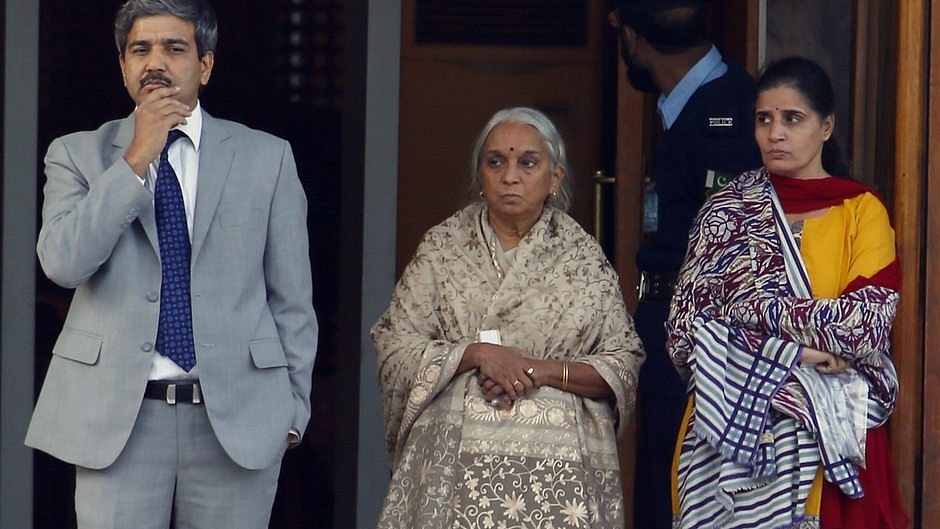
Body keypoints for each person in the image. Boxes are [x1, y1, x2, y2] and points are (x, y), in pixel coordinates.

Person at [25, 1, 319, 528]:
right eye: (140, 50)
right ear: (122, 66)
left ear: (204, 66)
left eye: (174, 48)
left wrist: (291, 413)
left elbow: (292, 300)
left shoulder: (266, 157)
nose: (154, 62)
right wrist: (135, 158)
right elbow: (62, 263)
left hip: (237, 419)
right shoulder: (75, 154)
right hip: (118, 421)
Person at [371, 107, 646, 529]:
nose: (510, 175)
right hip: (453, 470)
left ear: (554, 178)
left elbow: (623, 361)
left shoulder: (581, 257)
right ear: (480, 174)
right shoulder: (442, 248)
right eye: (495, 161)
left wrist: (538, 370)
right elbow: (395, 345)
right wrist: (477, 355)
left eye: (528, 163)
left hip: (559, 478)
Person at [666, 56, 909, 529]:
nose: (775, 133)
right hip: (728, 436)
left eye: (792, 118)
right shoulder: (726, 212)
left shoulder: (861, 211)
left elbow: (864, 327)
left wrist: (747, 312)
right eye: (764, 119)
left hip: (832, 433)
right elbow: (684, 334)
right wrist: (799, 354)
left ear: (826, 126)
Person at [608, 1, 763, 527]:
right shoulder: (685, 106)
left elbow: (745, 255)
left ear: (630, 38)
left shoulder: (737, 113)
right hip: (669, 332)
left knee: (686, 501)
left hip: (710, 348)